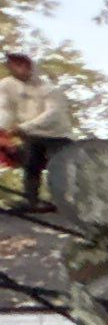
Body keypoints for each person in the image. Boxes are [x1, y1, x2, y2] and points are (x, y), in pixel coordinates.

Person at [0, 53, 75, 211]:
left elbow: (53, 115)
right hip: (32, 135)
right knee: (31, 165)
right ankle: (31, 200)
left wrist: (23, 127)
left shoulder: (48, 89)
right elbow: (5, 109)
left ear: (30, 67)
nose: (19, 69)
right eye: (14, 65)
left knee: (58, 167)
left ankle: (63, 202)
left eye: (22, 65)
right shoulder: (7, 85)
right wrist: (4, 129)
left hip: (57, 135)